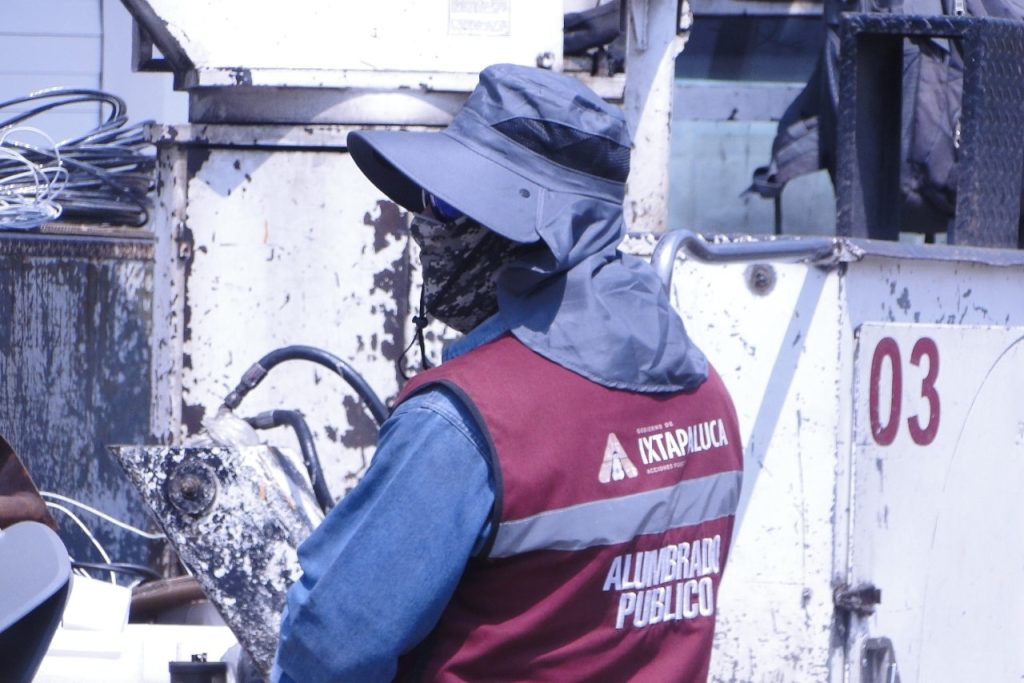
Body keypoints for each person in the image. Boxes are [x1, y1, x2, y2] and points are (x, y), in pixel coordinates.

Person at [273, 63, 743, 682]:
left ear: (521, 232)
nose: (422, 222)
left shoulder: (461, 422)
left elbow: (332, 645)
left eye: (446, 202)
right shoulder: (706, 396)